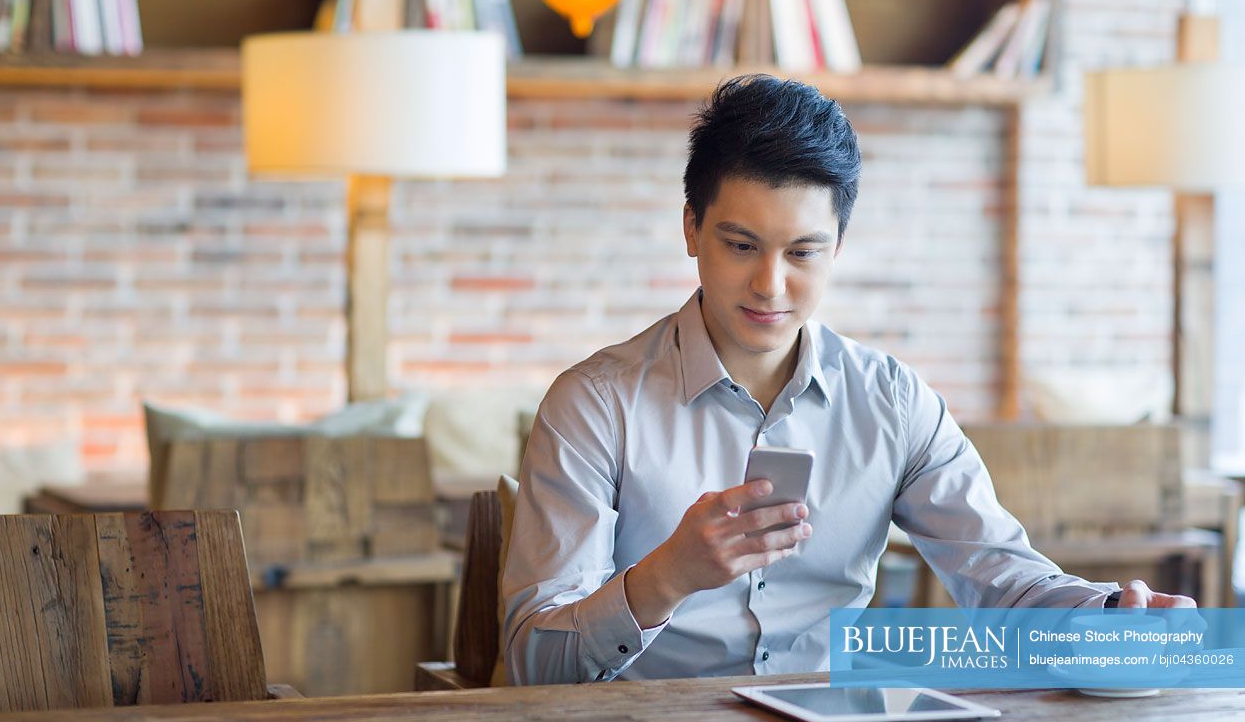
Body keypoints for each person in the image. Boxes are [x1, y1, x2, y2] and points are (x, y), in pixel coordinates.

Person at [502, 75, 1195, 686]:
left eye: (803, 251)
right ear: (691, 227)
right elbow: (532, 661)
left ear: (839, 245)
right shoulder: (594, 404)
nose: (769, 285)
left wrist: (1110, 615)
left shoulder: (892, 402)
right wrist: (667, 576)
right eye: (740, 245)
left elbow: (1004, 580)